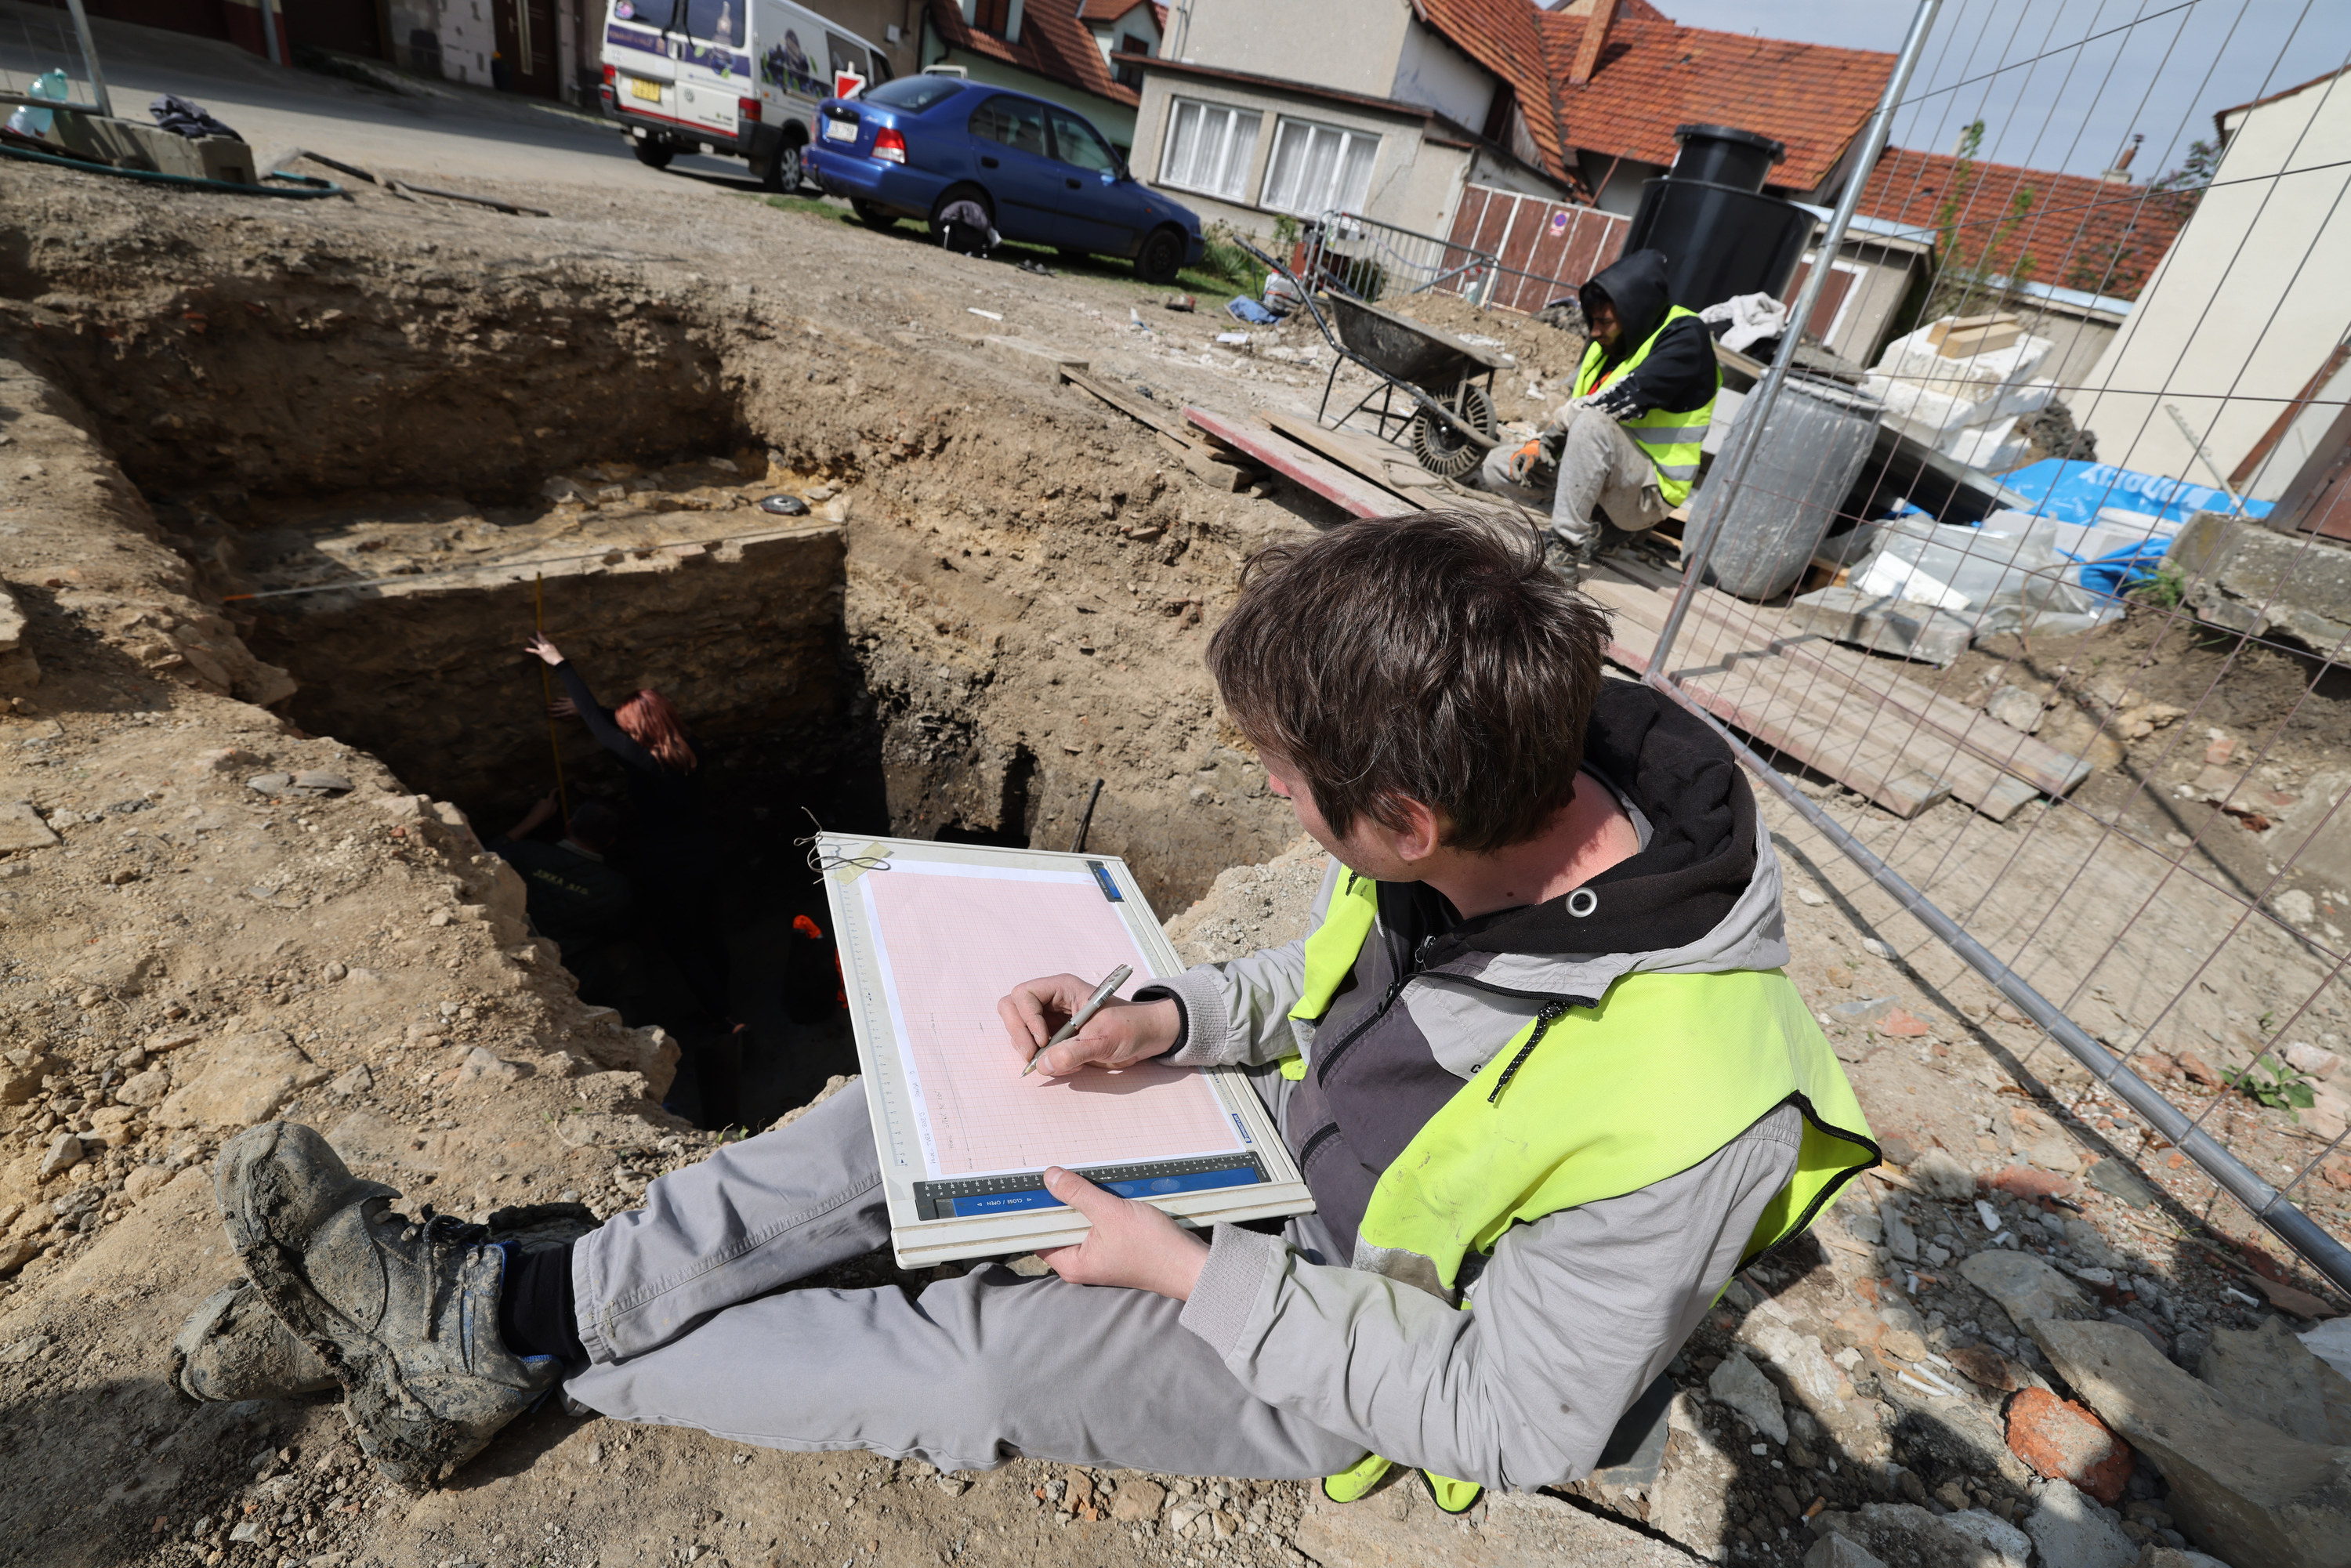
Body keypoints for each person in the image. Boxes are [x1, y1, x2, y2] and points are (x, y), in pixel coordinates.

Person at [194, 514, 1875, 1501]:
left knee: (962, 1363)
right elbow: (1329, 999)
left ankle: (468, 1342)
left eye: (1289, 784)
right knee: (892, 1119)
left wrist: (1194, 1275)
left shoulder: (1694, 1099)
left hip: (1344, 1336)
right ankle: (494, 1306)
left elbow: (1513, 1415)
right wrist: (1175, 1019)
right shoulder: (1506, 776)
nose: (1276, 801)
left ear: (1407, 821)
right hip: (1259, 1154)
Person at [524, 632, 744, 1129]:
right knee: (711, 933)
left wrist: (561, 663)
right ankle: (727, 1003)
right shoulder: (691, 750)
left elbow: (604, 731)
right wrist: (600, 712)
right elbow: (610, 726)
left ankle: (724, 1019)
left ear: (637, 733)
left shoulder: (641, 763)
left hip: (668, 869)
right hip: (705, 858)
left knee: (682, 943)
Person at [1480, 248, 1719, 570]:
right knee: (1499, 465)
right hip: (1603, 474)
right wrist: (1539, 443)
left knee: (1592, 422)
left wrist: (1558, 427)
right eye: (1592, 321)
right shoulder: (1604, 346)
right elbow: (1578, 405)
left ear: (1635, 313)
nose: (1594, 331)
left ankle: (1565, 550)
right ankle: (1598, 526)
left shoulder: (1685, 337)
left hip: (1649, 491)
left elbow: (1621, 399)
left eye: (1604, 321)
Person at [487, 795, 635, 1007]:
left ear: (569, 825)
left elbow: (480, 858)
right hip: (574, 977)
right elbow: (618, 932)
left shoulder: (525, 853)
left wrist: (531, 821)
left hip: (510, 958)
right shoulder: (616, 887)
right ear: (612, 841)